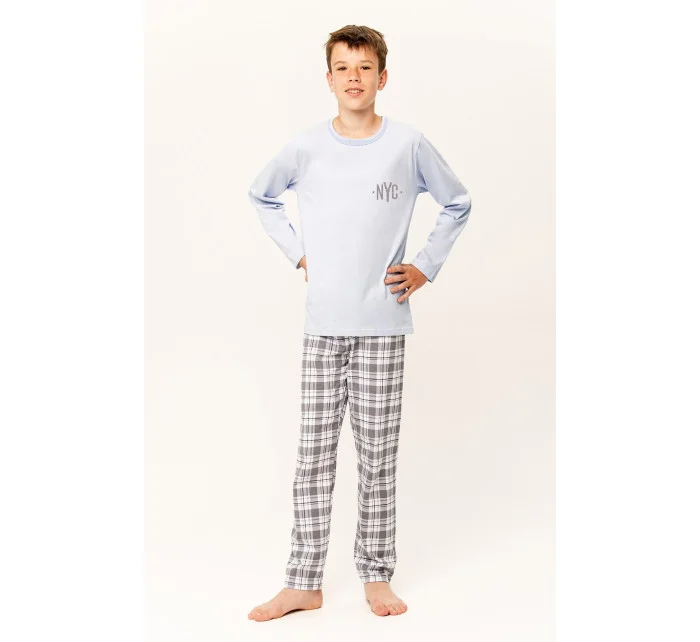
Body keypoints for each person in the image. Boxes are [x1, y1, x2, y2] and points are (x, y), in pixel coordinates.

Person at [246, 24, 472, 621]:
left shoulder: (408, 144)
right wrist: (298, 253)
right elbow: (261, 196)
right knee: (314, 456)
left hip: (382, 326)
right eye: (343, 67)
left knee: (377, 457)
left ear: (382, 77)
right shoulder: (305, 148)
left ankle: (376, 574)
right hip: (324, 325)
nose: (354, 77)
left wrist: (424, 266)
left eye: (364, 67)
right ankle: (303, 581)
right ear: (328, 78)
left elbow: (458, 201)